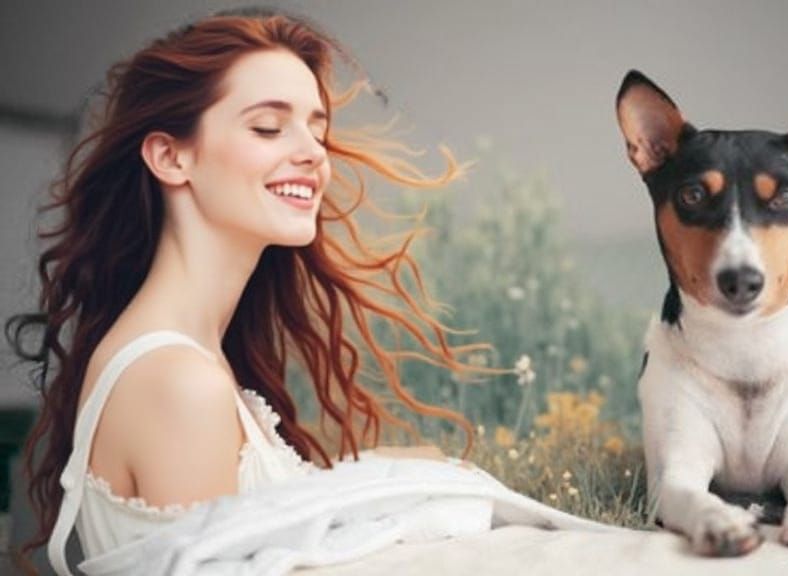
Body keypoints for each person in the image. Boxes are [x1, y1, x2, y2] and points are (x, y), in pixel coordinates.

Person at [4, 7, 487, 573]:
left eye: (317, 129)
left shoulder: (187, 360)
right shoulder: (180, 382)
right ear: (170, 156)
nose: (312, 152)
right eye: (267, 127)